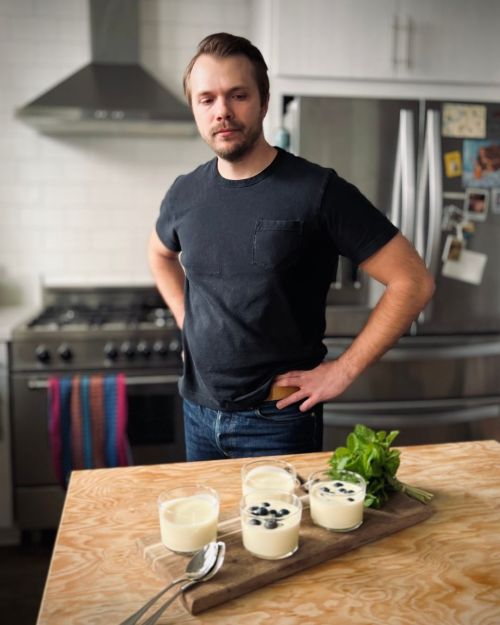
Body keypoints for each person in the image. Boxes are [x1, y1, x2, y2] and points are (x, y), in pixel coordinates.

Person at [148, 32, 435, 461]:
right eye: (206, 100)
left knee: (281, 532)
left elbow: (412, 282)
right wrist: (186, 319)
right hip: (198, 412)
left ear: (263, 101)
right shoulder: (183, 193)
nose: (222, 111)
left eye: (237, 95)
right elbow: (159, 254)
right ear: (195, 109)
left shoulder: (318, 191)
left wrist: (343, 370)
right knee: (211, 531)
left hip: (277, 421)